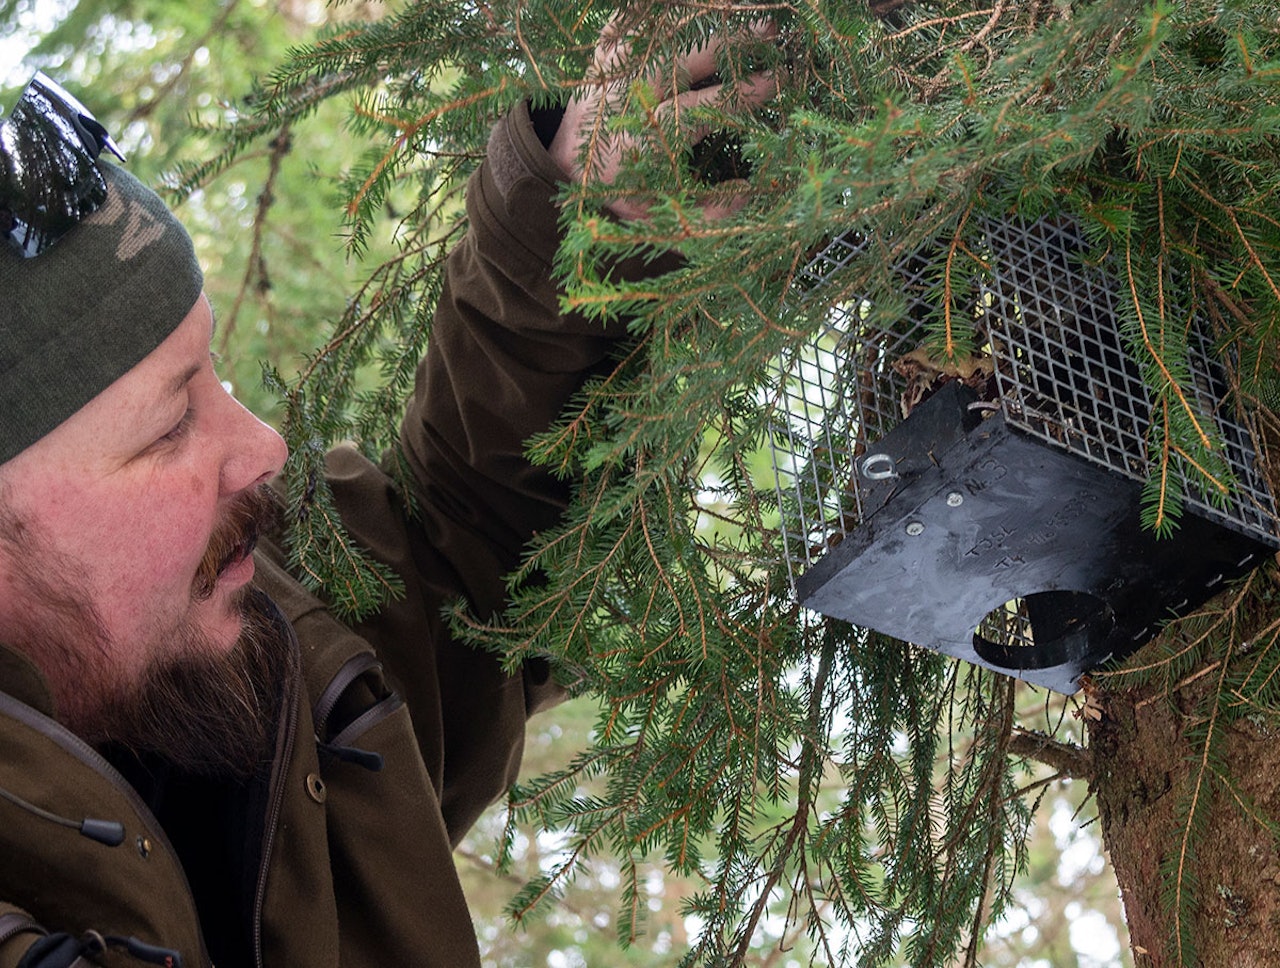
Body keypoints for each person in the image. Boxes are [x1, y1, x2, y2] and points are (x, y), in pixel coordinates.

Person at [0, 21, 777, 968]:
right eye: (170, 429)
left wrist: (581, 214)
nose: (264, 449)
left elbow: (470, 554)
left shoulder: (241, 644)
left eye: (219, 381)